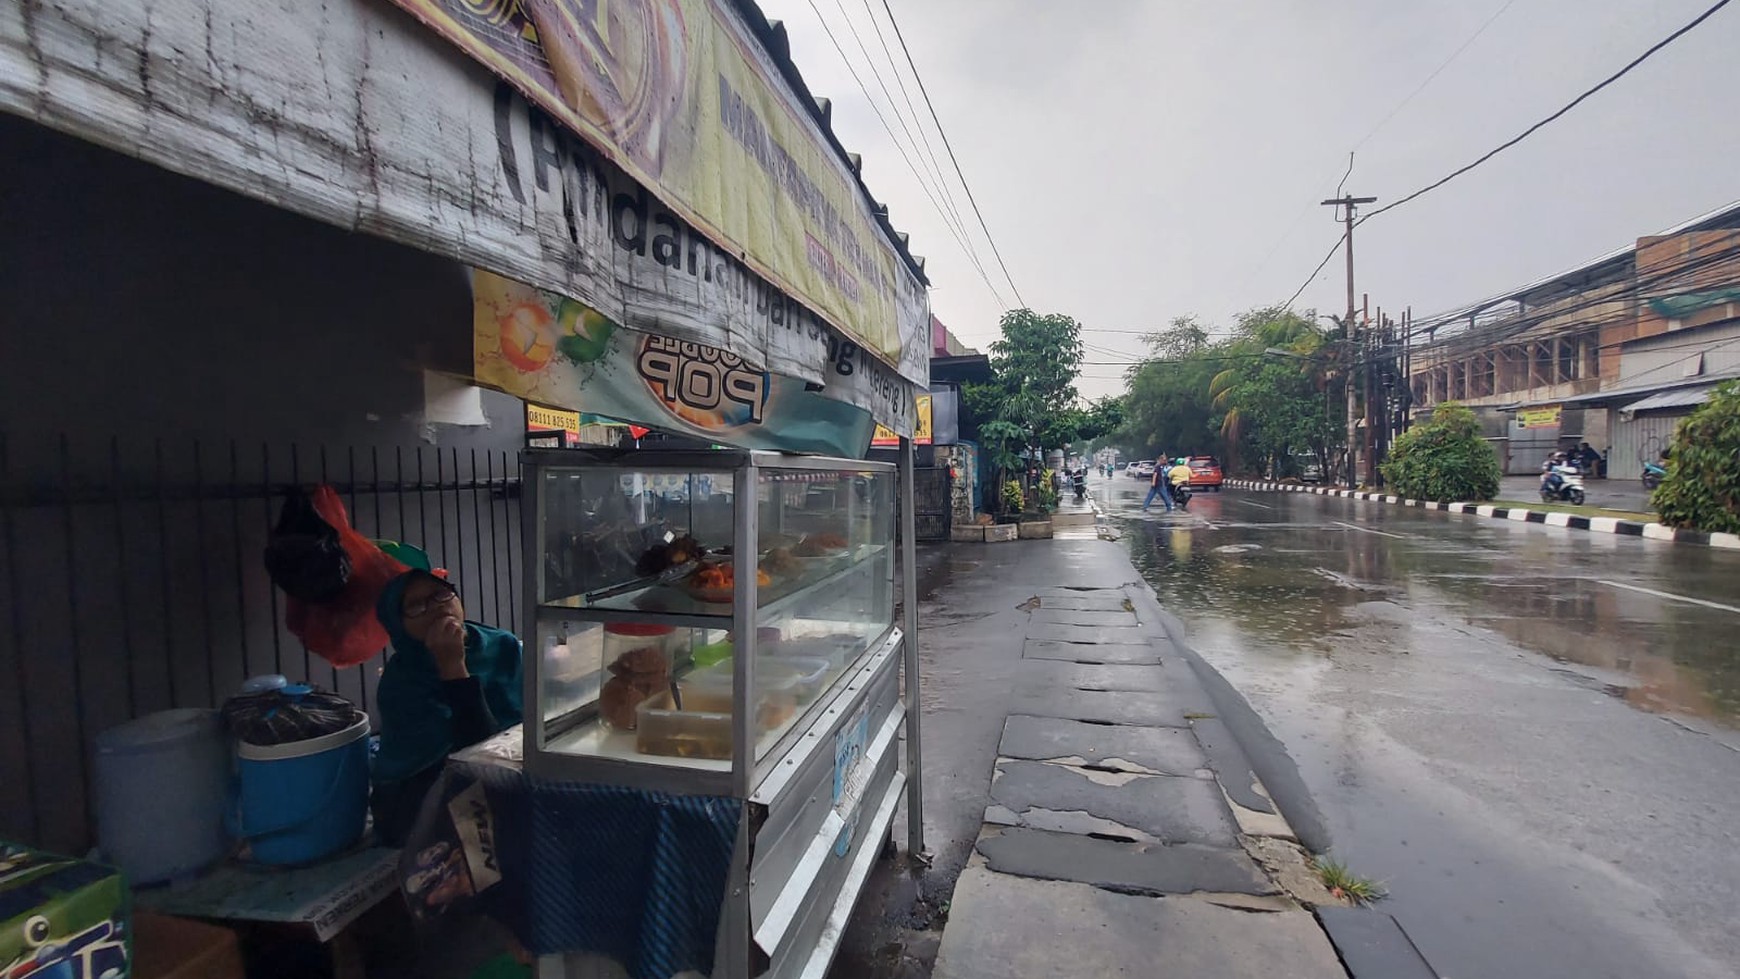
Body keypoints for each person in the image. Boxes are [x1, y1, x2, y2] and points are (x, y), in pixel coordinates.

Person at [372, 569, 523, 847]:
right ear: (398, 625)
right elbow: (475, 756)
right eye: (416, 606)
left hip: (508, 771)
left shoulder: (503, 646)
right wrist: (453, 668)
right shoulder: (403, 680)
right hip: (423, 791)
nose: (437, 606)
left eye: (441, 594)